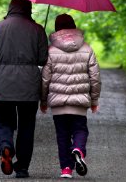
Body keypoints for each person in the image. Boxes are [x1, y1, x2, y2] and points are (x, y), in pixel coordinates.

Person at [0, 0, 48, 179]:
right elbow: (43, 59)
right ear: (29, 8)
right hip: (29, 88)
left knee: (3, 121)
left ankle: (5, 147)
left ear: (11, 8)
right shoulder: (37, 29)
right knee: (27, 127)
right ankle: (22, 168)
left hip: (3, 86)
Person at [40, 14, 101, 179]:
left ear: (57, 29)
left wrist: (43, 101)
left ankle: (66, 168)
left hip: (58, 104)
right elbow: (95, 77)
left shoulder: (51, 51)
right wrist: (94, 100)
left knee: (62, 135)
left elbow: (45, 78)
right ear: (74, 27)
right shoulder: (87, 49)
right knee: (80, 130)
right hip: (79, 102)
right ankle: (79, 149)